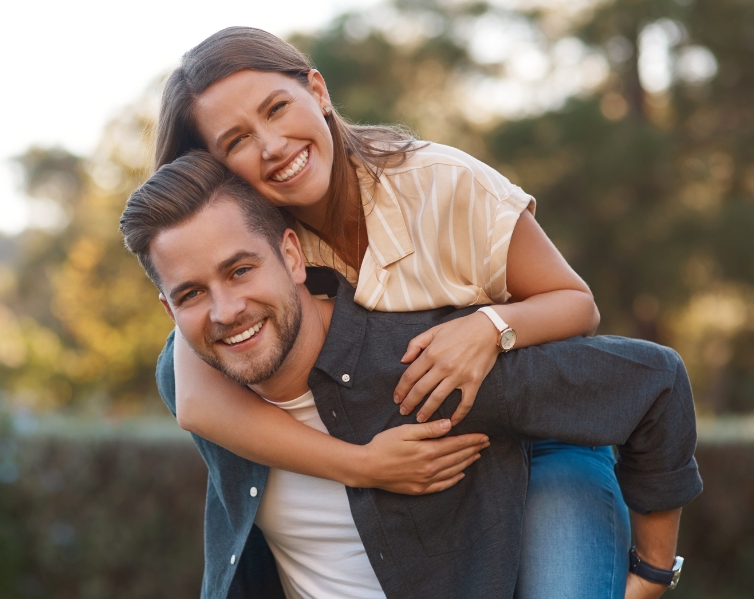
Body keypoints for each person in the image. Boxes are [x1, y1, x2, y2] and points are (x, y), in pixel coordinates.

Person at [156, 26, 622, 596]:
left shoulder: (442, 183)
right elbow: (197, 404)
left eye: (277, 109)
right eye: (237, 141)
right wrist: (362, 465)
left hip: (543, 440)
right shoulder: (259, 255)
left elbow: (577, 304)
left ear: (319, 91)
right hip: (447, 474)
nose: (272, 145)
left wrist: (488, 327)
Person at [119, 152, 701, 599]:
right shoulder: (200, 381)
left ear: (292, 257)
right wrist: (362, 465)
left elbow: (656, 381)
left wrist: (652, 570)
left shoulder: (426, 368)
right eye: (192, 293)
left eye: (241, 269)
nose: (225, 311)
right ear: (170, 313)